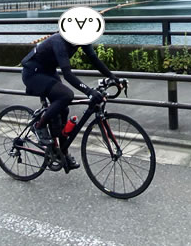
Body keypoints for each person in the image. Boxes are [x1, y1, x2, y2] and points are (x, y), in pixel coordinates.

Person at [20, 32, 119, 170]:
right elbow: (67, 74)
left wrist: (113, 77)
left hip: (48, 71)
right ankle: (39, 126)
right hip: (33, 73)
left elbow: (94, 59)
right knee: (66, 96)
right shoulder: (59, 41)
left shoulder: (82, 38)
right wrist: (89, 92)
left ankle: (62, 152)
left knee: (63, 109)